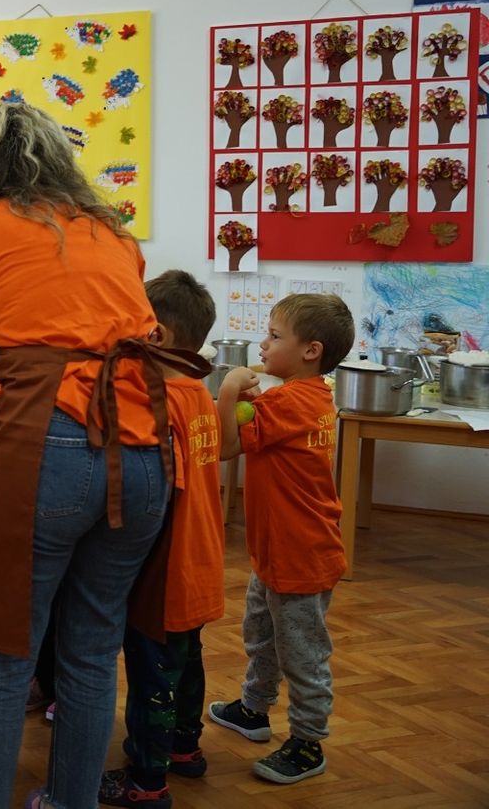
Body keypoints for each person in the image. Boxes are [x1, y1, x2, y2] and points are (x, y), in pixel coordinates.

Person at [0, 101, 208, 809]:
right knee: (91, 653)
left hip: (50, 447)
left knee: (3, 655)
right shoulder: (112, 231)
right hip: (146, 450)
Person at [209, 293, 352, 786]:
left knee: (302, 653)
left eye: (274, 336)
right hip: (277, 549)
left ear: (310, 350)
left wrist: (229, 388)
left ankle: (309, 742)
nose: (263, 344)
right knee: (262, 633)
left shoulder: (290, 401)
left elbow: (227, 446)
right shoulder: (311, 395)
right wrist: (247, 401)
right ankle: (253, 709)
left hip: (299, 555)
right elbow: (260, 420)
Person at [99, 270, 225, 808]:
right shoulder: (197, 391)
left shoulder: (161, 401)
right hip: (202, 559)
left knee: (152, 675)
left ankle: (147, 782)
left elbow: (154, 492)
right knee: (186, 661)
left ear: (156, 335)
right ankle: (184, 749)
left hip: (166, 565)